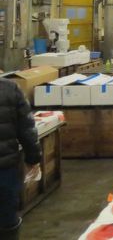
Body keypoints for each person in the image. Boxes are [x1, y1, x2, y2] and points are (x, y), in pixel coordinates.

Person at [0, 76, 41, 240]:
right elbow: (27, 130)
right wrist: (33, 159)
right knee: (7, 217)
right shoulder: (11, 89)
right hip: (5, 170)